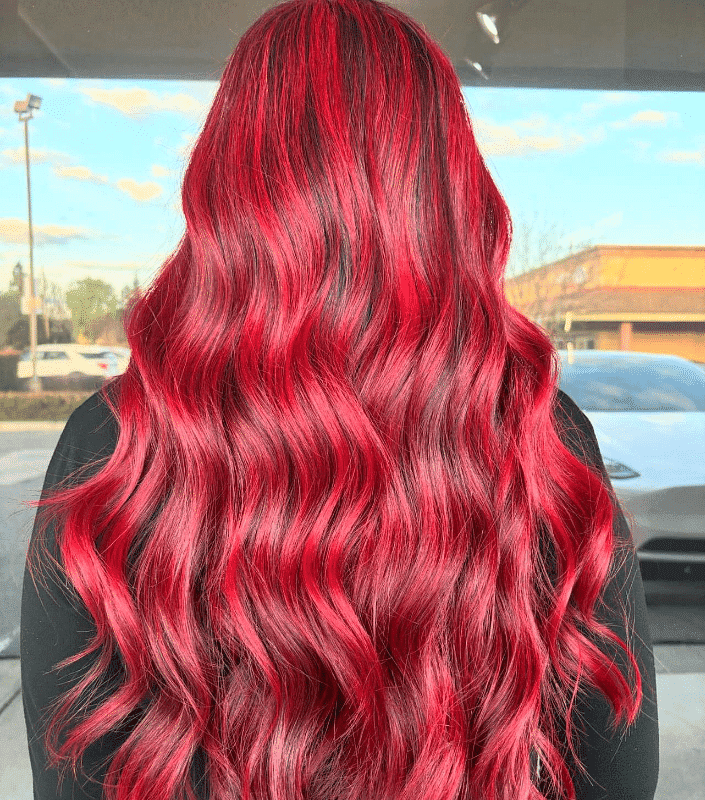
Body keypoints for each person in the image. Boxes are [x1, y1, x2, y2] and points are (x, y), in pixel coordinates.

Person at [20, 0, 659, 798]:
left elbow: (72, 773)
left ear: (226, 183)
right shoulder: (535, 432)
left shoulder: (121, 440)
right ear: (441, 184)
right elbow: (620, 774)